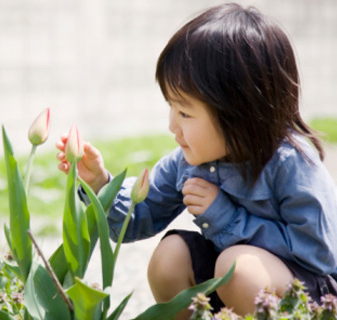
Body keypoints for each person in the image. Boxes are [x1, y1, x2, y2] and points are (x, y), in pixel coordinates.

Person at [56, 3, 337, 318]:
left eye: (185, 112)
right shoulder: (189, 162)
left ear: (239, 113)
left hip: (306, 296)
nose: (172, 126)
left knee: (237, 267)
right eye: (172, 108)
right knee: (170, 256)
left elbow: (317, 253)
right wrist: (100, 185)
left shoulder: (290, 162)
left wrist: (227, 219)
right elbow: (136, 221)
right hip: (233, 287)